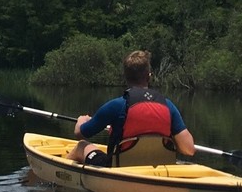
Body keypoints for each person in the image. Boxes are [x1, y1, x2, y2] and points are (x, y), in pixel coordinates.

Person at [67, 50, 197, 165]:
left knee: (81, 146)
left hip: (119, 167)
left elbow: (81, 133)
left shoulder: (116, 106)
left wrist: (81, 121)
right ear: (149, 76)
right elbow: (189, 149)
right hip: (158, 167)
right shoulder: (168, 106)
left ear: (125, 76)